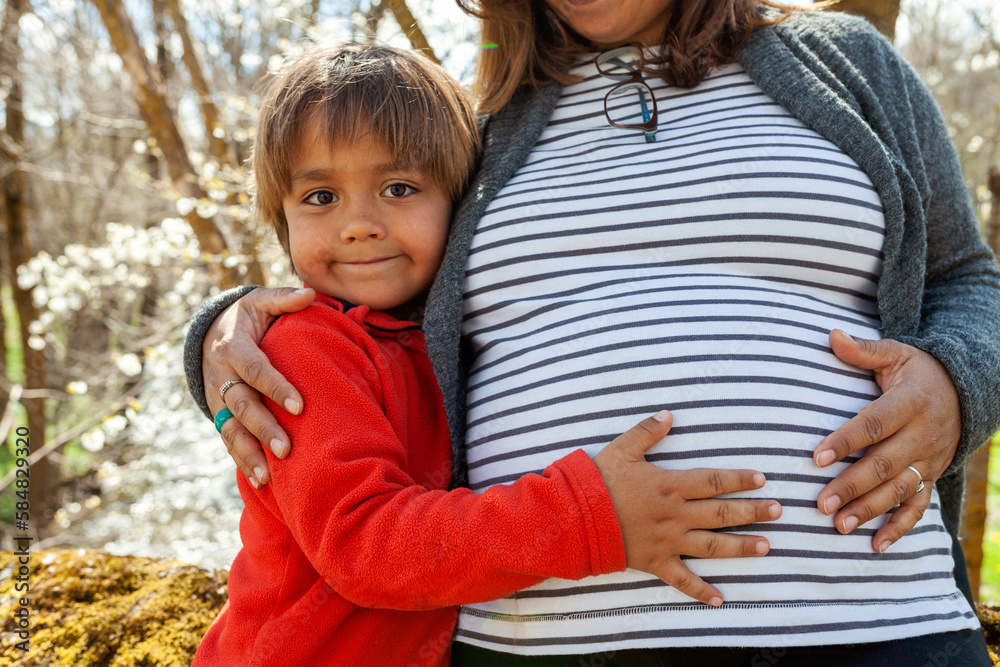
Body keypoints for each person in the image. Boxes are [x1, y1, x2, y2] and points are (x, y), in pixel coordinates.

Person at [184, 1, 1000, 664]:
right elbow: (366, 302)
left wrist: (957, 384)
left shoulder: (845, 62)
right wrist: (222, 329)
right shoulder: (477, 127)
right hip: (548, 640)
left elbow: (970, 281)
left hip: (878, 622)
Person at [190, 43, 784, 667]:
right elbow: (367, 546)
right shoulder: (306, 347)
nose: (358, 224)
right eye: (319, 198)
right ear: (281, 221)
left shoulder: (438, 341)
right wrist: (587, 517)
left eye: (398, 187)